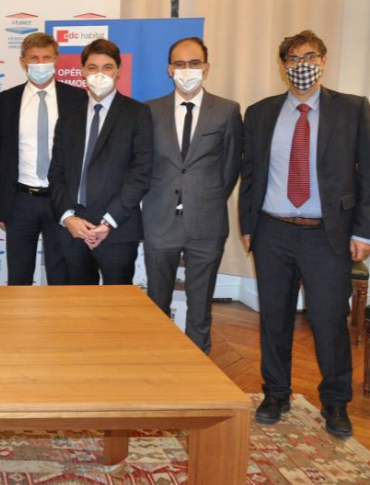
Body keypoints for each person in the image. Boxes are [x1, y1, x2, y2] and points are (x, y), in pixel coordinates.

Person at [240, 30, 370, 438]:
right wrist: (247, 225)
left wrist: (364, 232)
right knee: (274, 317)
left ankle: (335, 402)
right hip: (272, 230)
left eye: (310, 57)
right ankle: (275, 394)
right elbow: (250, 174)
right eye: (294, 59)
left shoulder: (353, 109)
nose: (302, 65)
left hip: (327, 234)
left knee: (328, 320)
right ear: (283, 66)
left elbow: (367, 174)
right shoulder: (260, 113)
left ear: (324, 60)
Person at [142, 37, 243, 354]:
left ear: (206, 67)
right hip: (160, 220)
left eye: (194, 63)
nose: (187, 69)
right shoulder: (150, 110)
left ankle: (199, 365)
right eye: (180, 63)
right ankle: (159, 359)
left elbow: (230, 168)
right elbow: (143, 165)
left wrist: (204, 199)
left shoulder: (227, 111)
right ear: (170, 69)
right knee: (157, 300)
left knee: (200, 305)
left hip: (207, 222)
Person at [48, 38, 152, 285]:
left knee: (116, 305)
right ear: (82, 72)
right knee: (79, 303)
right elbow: (56, 172)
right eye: (92, 68)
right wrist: (68, 218)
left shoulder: (137, 113)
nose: (99, 74)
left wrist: (108, 222)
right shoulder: (69, 117)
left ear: (118, 71)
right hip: (74, 229)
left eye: (107, 67)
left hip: (117, 229)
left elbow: (141, 173)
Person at [0, 32, 85, 285]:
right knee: (18, 277)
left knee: (60, 277)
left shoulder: (77, 99)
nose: (40, 63)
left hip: (61, 200)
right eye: (33, 58)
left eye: (46, 58)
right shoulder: (7, 100)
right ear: (23, 61)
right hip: (20, 201)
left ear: (56, 60)